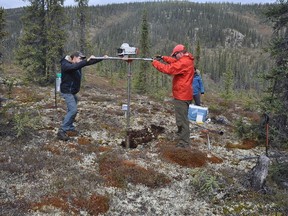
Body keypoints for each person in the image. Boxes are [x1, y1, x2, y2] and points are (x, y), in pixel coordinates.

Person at [57, 51, 107, 141]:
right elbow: (74, 67)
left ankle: (69, 127)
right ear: (74, 57)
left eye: (82, 59)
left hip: (72, 92)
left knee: (71, 110)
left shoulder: (77, 63)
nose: (81, 60)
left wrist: (101, 58)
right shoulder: (66, 64)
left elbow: (88, 62)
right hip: (67, 91)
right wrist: (84, 62)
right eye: (80, 58)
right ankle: (62, 130)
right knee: (73, 110)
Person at [152, 44, 194, 148]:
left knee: (182, 120)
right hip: (184, 94)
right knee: (181, 118)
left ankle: (184, 143)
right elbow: (174, 62)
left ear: (180, 53)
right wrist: (163, 58)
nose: (174, 57)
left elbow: (169, 69)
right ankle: (181, 135)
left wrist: (155, 63)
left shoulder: (184, 62)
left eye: (175, 55)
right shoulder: (186, 59)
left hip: (182, 95)